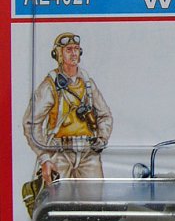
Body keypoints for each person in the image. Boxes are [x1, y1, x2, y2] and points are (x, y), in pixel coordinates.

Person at [23, 32, 113, 183]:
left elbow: (105, 115)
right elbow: (31, 122)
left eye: (76, 49)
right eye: (69, 49)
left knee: (95, 195)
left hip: (88, 153)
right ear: (59, 54)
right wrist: (44, 157)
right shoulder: (50, 85)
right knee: (57, 196)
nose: (74, 53)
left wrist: (101, 138)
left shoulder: (87, 83)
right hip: (59, 153)